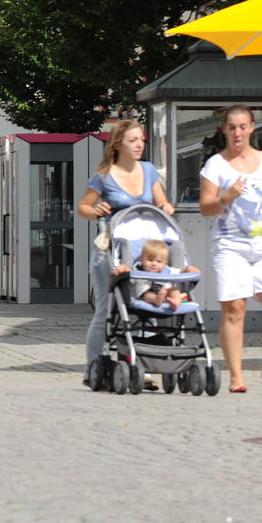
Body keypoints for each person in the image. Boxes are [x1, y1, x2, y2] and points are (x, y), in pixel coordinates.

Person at [200, 104, 262, 393]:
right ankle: (236, 376)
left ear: (252, 127)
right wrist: (226, 197)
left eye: (242, 127)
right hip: (231, 245)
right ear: (224, 130)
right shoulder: (215, 164)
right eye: (232, 127)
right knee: (235, 308)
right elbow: (205, 208)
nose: (237, 133)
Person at [77, 118, 173, 386]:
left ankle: (141, 365)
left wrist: (166, 207)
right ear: (118, 144)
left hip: (141, 253)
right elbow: (83, 207)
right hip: (111, 250)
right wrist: (95, 210)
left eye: (141, 139)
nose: (139, 144)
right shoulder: (104, 176)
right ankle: (93, 368)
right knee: (107, 310)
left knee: (143, 306)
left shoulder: (148, 170)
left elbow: (161, 200)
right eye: (133, 140)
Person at [131, 239, 197, 309]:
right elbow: (128, 271)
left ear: (164, 263)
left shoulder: (166, 269)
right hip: (145, 294)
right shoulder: (138, 268)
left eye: (159, 261)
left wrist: (188, 269)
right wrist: (124, 269)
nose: (154, 264)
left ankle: (175, 302)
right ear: (141, 259)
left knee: (174, 290)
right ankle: (155, 299)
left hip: (164, 293)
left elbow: (179, 271)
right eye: (150, 260)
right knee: (147, 295)